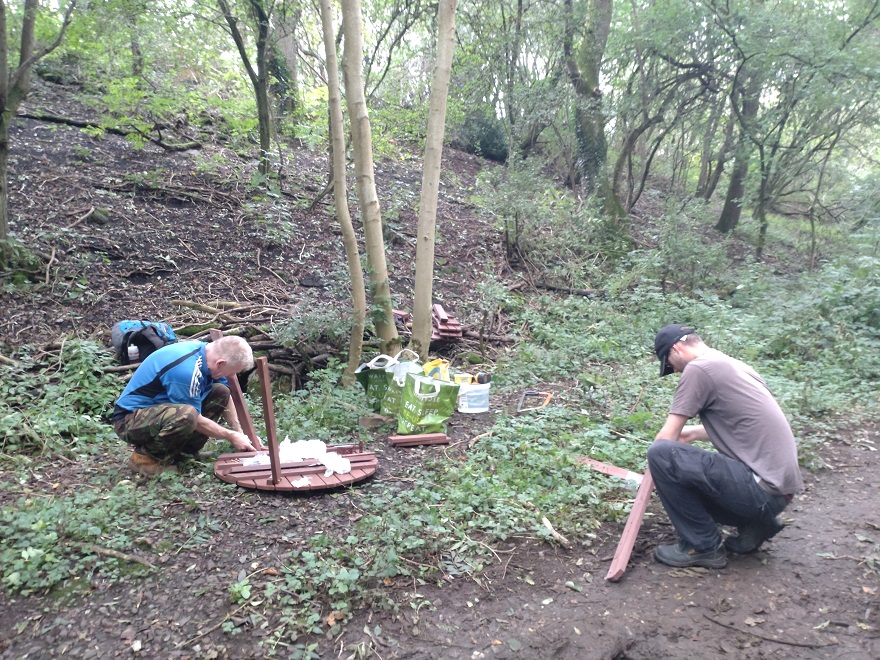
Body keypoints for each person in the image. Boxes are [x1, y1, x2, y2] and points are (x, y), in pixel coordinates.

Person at [647, 323, 804, 569]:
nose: (674, 370)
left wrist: (657, 468)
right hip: (778, 492)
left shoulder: (699, 368)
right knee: (670, 457)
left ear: (676, 349)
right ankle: (757, 524)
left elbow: (666, 438)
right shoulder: (733, 365)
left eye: (669, 364)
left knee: (660, 454)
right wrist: (693, 434)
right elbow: (744, 424)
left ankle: (702, 547)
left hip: (760, 491)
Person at [112, 335, 261, 476]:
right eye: (229, 373)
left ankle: (182, 453)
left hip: (159, 413)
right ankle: (144, 459)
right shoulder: (185, 370)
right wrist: (231, 436)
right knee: (187, 414)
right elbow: (195, 418)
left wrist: (240, 432)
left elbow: (225, 396)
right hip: (129, 421)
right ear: (220, 363)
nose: (228, 376)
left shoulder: (207, 355)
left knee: (220, 392)